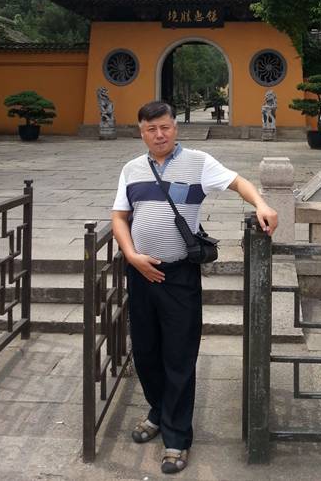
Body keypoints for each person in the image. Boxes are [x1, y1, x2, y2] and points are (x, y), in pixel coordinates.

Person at [111, 100, 277, 474]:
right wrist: (132, 256)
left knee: (179, 357)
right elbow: (119, 216)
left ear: (175, 127)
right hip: (140, 274)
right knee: (146, 353)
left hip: (178, 277)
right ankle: (158, 411)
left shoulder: (199, 163)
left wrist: (261, 204)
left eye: (165, 127)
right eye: (151, 129)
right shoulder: (131, 169)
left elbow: (238, 183)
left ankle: (176, 437)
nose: (159, 135)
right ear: (141, 132)